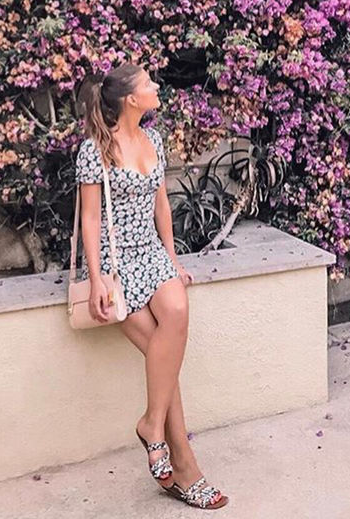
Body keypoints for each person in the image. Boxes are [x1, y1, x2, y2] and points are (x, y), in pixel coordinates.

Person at [75, 62, 228, 510]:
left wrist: (174, 260)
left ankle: (151, 426)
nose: (156, 87)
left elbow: (162, 202)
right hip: (117, 263)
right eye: (148, 84)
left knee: (176, 314)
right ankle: (186, 469)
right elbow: (90, 218)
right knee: (166, 363)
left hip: (153, 255)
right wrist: (97, 278)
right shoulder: (95, 150)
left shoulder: (154, 140)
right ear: (131, 99)